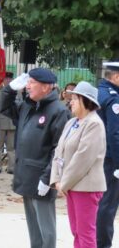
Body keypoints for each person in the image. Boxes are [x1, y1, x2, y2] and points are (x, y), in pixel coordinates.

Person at [0, 68, 71, 248]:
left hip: (42, 177)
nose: (27, 86)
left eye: (32, 82)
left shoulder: (58, 111)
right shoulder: (29, 105)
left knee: (45, 230)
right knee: (34, 229)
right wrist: (9, 90)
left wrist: (48, 179)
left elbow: (59, 150)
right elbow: (6, 109)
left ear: (46, 87)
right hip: (26, 175)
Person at [50, 81, 106, 248]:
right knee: (76, 231)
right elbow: (58, 151)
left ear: (85, 101)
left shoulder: (94, 124)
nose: (71, 101)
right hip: (71, 185)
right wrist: (56, 179)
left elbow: (83, 159)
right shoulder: (72, 122)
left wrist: (64, 183)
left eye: (74, 98)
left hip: (86, 187)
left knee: (85, 233)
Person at [96, 60, 119, 248]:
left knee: (102, 202)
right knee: (108, 204)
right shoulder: (113, 98)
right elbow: (115, 133)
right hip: (111, 159)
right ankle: (102, 244)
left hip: (98, 156)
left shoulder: (99, 93)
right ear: (117, 77)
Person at [0, 71, 16, 174]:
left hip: (13, 124)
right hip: (0, 124)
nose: (8, 80)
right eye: (6, 79)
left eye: (10, 79)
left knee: (11, 148)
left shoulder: (16, 92)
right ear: (3, 80)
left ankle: (11, 168)